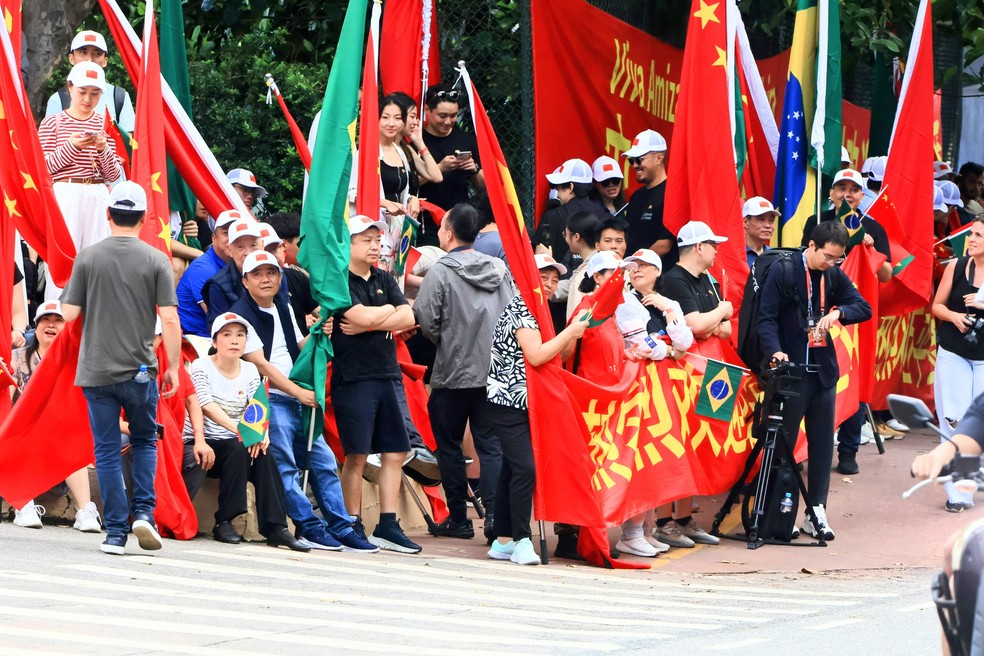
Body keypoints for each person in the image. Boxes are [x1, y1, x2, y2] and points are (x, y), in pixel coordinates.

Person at [60, 181, 182, 556]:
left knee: (108, 450)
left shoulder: (88, 257)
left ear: (108, 214)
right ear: (145, 219)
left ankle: (115, 533)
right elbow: (171, 320)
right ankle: (143, 512)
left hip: (96, 370)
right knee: (146, 440)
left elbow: (67, 315)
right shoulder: (157, 259)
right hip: (141, 369)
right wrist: (173, 366)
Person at [231, 250, 378, 553]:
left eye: (271, 272)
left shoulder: (283, 305)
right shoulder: (240, 314)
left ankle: (341, 525)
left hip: (299, 395)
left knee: (323, 462)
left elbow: (299, 344)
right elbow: (262, 365)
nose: (265, 279)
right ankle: (307, 525)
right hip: (270, 397)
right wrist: (298, 393)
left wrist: (319, 331)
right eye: (257, 274)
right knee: (285, 465)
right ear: (245, 281)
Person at [758, 220, 872, 540]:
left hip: (822, 372)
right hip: (791, 372)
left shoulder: (832, 274)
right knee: (785, 444)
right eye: (827, 257)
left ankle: (816, 509)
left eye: (838, 258)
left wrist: (838, 314)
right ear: (811, 246)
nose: (832, 263)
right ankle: (779, 511)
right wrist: (775, 352)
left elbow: (862, 307)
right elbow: (765, 319)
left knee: (823, 444)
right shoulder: (783, 272)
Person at [413, 203, 512, 540]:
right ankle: (497, 516)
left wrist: (448, 339)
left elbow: (426, 319)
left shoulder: (441, 271)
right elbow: (514, 313)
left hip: (453, 372)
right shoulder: (499, 268)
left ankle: (458, 517)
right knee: (492, 445)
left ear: (449, 233)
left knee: (449, 445)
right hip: (496, 372)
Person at [486, 254, 590, 566]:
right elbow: (536, 354)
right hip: (508, 401)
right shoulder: (521, 307)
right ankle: (520, 540)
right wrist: (570, 334)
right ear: (525, 279)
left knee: (510, 469)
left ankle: (502, 540)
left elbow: (555, 353)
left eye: (554, 279)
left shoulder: (540, 309)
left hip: (525, 402)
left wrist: (571, 332)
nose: (548, 284)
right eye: (542, 277)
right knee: (525, 469)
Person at [330, 215, 421, 554]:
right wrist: (383, 318)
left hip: (387, 373)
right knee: (356, 454)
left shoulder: (384, 276)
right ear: (349, 244)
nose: (374, 245)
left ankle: (388, 524)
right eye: (366, 239)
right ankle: (350, 522)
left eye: (376, 239)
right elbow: (365, 316)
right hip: (353, 376)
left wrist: (371, 321)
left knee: (395, 451)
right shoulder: (338, 279)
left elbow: (409, 316)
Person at [181, 313, 309, 551]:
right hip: (206, 443)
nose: (234, 340)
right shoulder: (201, 366)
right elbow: (205, 404)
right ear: (215, 341)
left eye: (240, 335)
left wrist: (262, 434)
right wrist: (243, 432)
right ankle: (225, 521)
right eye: (227, 335)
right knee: (239, 447)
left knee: (265, 454)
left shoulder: (250, 369)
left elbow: (258, 406)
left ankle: (276, 527)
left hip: (238, 442)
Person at [651, 221, 731, 548]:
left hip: (711, 373)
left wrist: (712, 321)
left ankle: (684, 519)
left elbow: (724, 329)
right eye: (713, 244)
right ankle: (662, 521)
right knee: (674, 445)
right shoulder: (674, 280)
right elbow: (696, 325)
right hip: (679, 373)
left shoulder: (708, 280)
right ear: (699, 247)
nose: (717, 250)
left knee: (700, 443)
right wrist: (721, 311)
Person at [10, 301, 101, 533]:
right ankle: (24, 504)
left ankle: (86, 510)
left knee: (70, 440)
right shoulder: (17, 358)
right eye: (45, 320)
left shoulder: (75, 364)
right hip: (23, 431)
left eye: (58, 320)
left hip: (59, 433)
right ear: (36, 326)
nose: (50, 325)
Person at [39, 61, 124, 301]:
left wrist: (102, 148)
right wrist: (71, 147)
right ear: (69, 88)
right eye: (82, 92)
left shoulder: (106, 124)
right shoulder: (52, 123)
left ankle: (94, 321)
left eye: (95, 93)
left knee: (98, 260)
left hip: (98, 193)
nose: (88, 99)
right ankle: (57, 319)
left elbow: (113, 174)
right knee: (64, 260)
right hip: (65, 191)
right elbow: (43, 169)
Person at [931, 217, 984, 512]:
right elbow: (936, 305)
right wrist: (955, 317)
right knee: (953, 418)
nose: (971, 239)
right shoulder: (956, 266)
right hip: (954, 350)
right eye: (971, 233)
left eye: (978, 235)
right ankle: (959, 491)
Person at [418, 84, 485, 246]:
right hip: (426, 221)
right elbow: (408, 181)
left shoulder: (467, 140)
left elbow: (483, 187)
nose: (448, 121)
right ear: (427, 110)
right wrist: (440, 168)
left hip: (459, 220)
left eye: (453, 116)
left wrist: (473, 169)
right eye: (442, 116)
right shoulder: (416, 140)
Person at [44, 30, 135, 132]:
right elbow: (49, 144)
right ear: (71, 58)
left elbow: (128, 142)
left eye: (97, 53)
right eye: (83, 52)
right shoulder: (58, 99)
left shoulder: (119, 97)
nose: (90, 59)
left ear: (105, 60)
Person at [176, 209, 241, 338]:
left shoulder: (238, 264)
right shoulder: (203, 269)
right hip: (197, 339)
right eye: (226, 233)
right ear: (213, 238)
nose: (232, 238)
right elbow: (223, 322)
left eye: (237, 233)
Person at [622, 130, 675, 260]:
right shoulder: (636, 197)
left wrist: (637, 264)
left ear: (658, 158)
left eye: (639, 160)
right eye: (631, 161)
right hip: (633, 272)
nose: (634, 165)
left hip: (658, 275)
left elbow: (664, 244)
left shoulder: (672, 195)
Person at [202, 219, 265, 327]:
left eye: (253, 245)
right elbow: (224, 332)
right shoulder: (218, 286)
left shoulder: (277, 274)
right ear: (229, 250)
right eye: (240, 247)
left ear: (263, 245)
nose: (248, 253)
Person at [259, 217, 319, 332]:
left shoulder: (296, 276)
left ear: (282, 247)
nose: (271, 256)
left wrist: (325, 322)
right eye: (265, 251)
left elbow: (321, 312)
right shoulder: (244, 287)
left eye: (274, 249)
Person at [563, 211, 604, 320]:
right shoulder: (603, 261)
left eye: (565, 234)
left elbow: (567, 288)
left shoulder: (587, 271)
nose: (565, 239)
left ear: (576, 237)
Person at [742, 197, 778, 268]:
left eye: (771, 220)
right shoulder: (735, 256)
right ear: (745, 222)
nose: (767, 225)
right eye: (761, 220)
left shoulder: (775, 256)